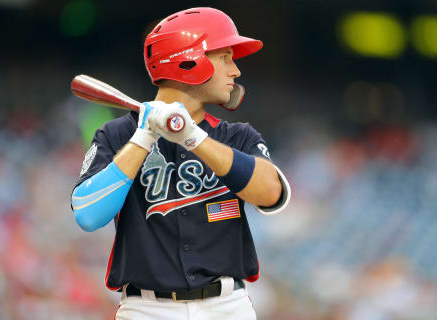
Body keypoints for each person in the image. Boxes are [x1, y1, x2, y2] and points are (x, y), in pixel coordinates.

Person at [71, 7, 291, 320]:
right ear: (189, 61)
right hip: (146, 309)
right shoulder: (117, 135)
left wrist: (192, 137)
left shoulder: (238, 136)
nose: (235, 71)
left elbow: (271, 193)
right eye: (224, 57)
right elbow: (88, 215)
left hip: (227, 307)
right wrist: (143, 137)